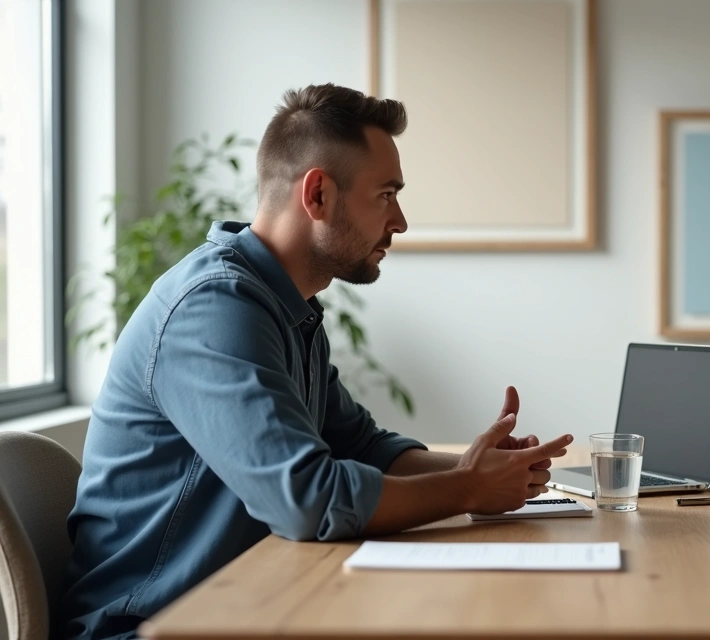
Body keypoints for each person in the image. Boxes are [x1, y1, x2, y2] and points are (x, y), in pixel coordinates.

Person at [59, 83, 572, 639]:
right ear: (319, 194)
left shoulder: (286, 309)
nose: (399, 222)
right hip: (149, 626)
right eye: (386, 194)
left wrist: (480, 468)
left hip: (255, 606)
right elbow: (306, 500)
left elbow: (363, 447)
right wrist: (469, 488)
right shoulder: (214, 309)